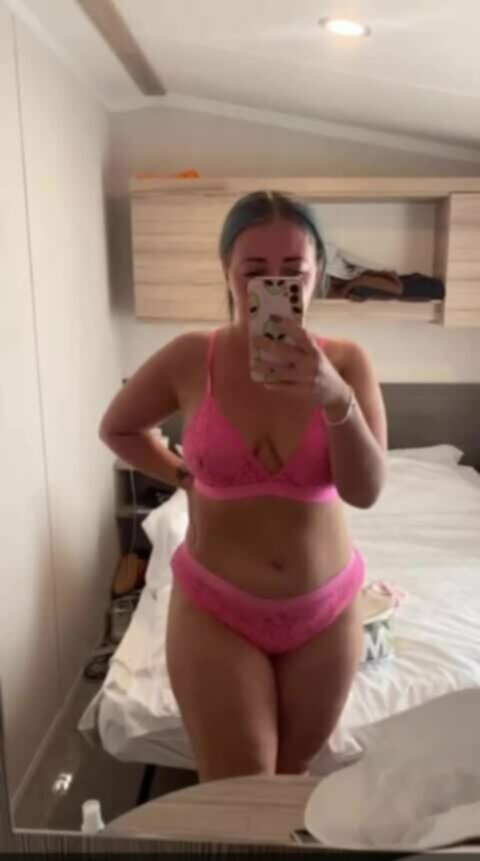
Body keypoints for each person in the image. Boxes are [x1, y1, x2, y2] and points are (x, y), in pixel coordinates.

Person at [99, 191, 387, 782]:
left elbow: (365, 491)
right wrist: (185, 477)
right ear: (227, 272)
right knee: (238, 786)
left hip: (326, 611)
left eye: (294, 273)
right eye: (254, 271)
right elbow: (119, 429)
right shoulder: (190, 358)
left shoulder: (349, 364)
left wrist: (336, 399)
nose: (274, 286)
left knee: (293, 775)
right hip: (217, 610)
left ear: (319, 274)